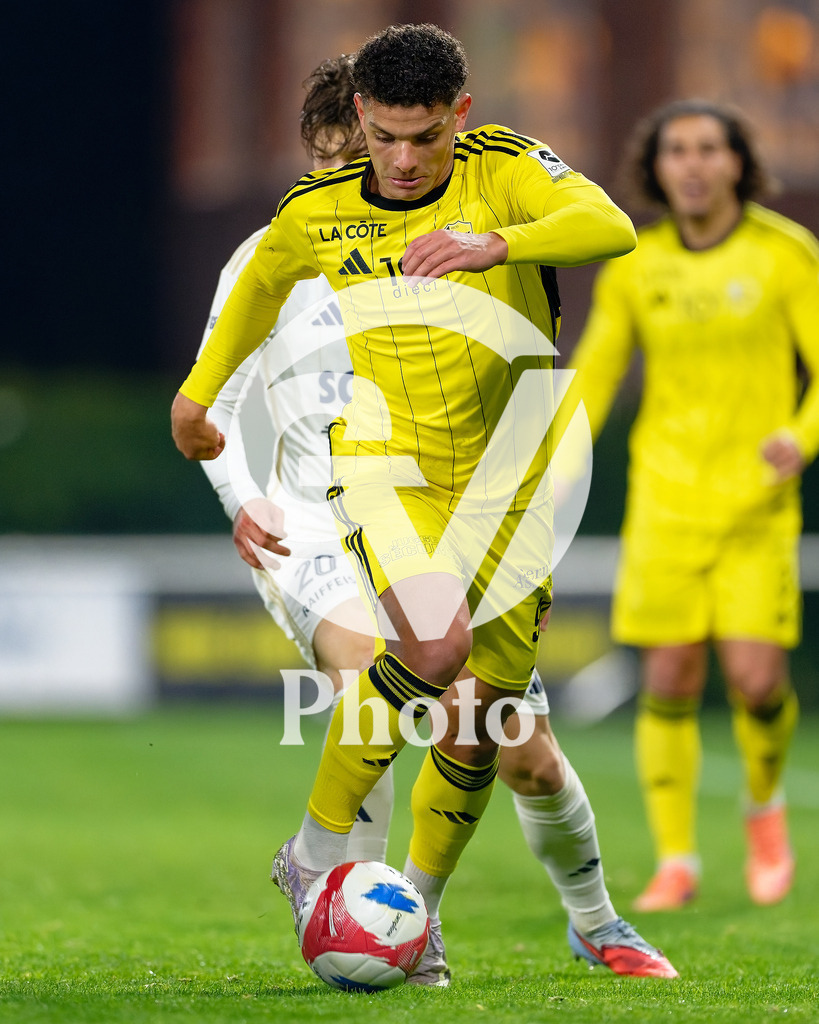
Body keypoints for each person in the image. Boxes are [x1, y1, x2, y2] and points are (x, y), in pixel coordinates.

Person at [173, 25, 676, 981]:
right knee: (427, 653)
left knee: (488, 724)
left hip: (508, 479)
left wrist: (496, 245)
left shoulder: (508, 173)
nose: (401, 162)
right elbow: (246, 317)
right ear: (357, 122)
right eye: (382, 139)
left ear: (460, 118)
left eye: (425, 139)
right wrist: (198, 408)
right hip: (372, 473)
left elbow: (610, 227)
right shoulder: (306, 219)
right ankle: (317, 859)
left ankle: (446, 913)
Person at [564, 98, 819, 911]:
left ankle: (763, 809)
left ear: (737, 161)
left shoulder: (784, 254)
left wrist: (799, 436)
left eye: (709, 148)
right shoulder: (634, 268)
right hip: (664, 503)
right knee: (668, 676)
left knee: (751, 678)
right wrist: (559, 453)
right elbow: (597, 376)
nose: (694, 164)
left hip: (754, 505)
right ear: (657, 167)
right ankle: (675, 858)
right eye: (677, 150)